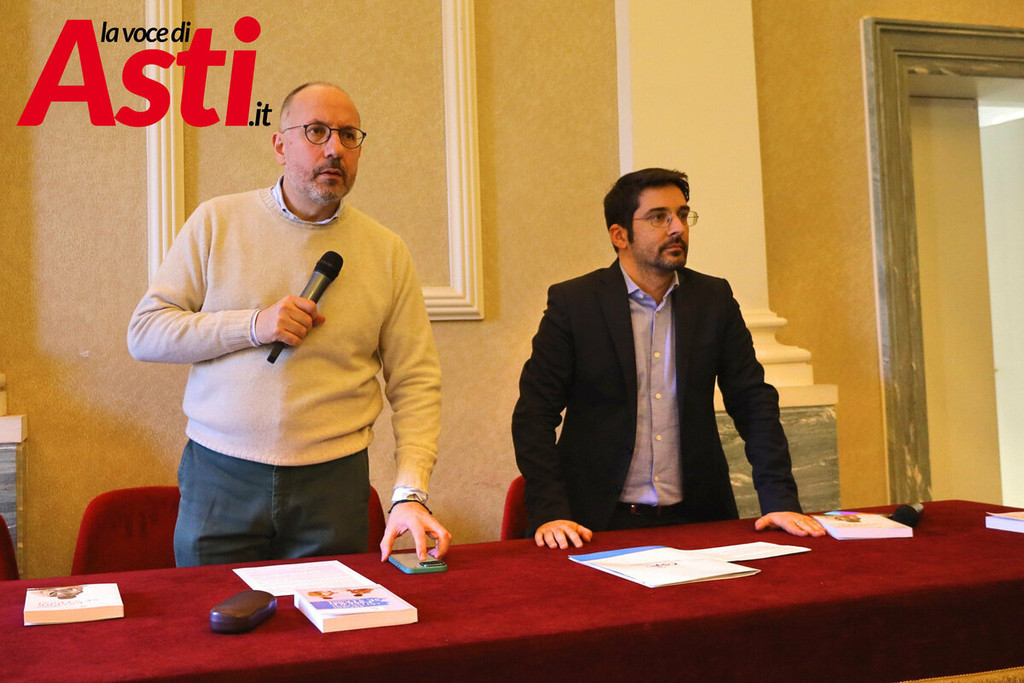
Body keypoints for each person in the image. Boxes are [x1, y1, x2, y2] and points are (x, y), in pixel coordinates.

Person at [128, 82, 450, 566]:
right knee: (214, 611)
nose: (335, 148)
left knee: (329, 616)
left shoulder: (386, 251)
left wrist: (410, 491)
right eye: (317, 131)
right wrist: (254, 325)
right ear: (280, 146)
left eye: (348, 135)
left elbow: (416, 381)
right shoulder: (217, 222)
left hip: (334, 482)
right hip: (221, 475)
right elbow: (146, 334)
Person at [511, 167, 826, 549]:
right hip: (593, 523)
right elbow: (534, 414)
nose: (677, 228)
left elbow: (753, 401)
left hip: (698, 520)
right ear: (619, 235)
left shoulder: (713, 300)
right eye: (659, 217)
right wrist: (551, 511)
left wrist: (779, 501)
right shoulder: (575, 304)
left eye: (682, 214)